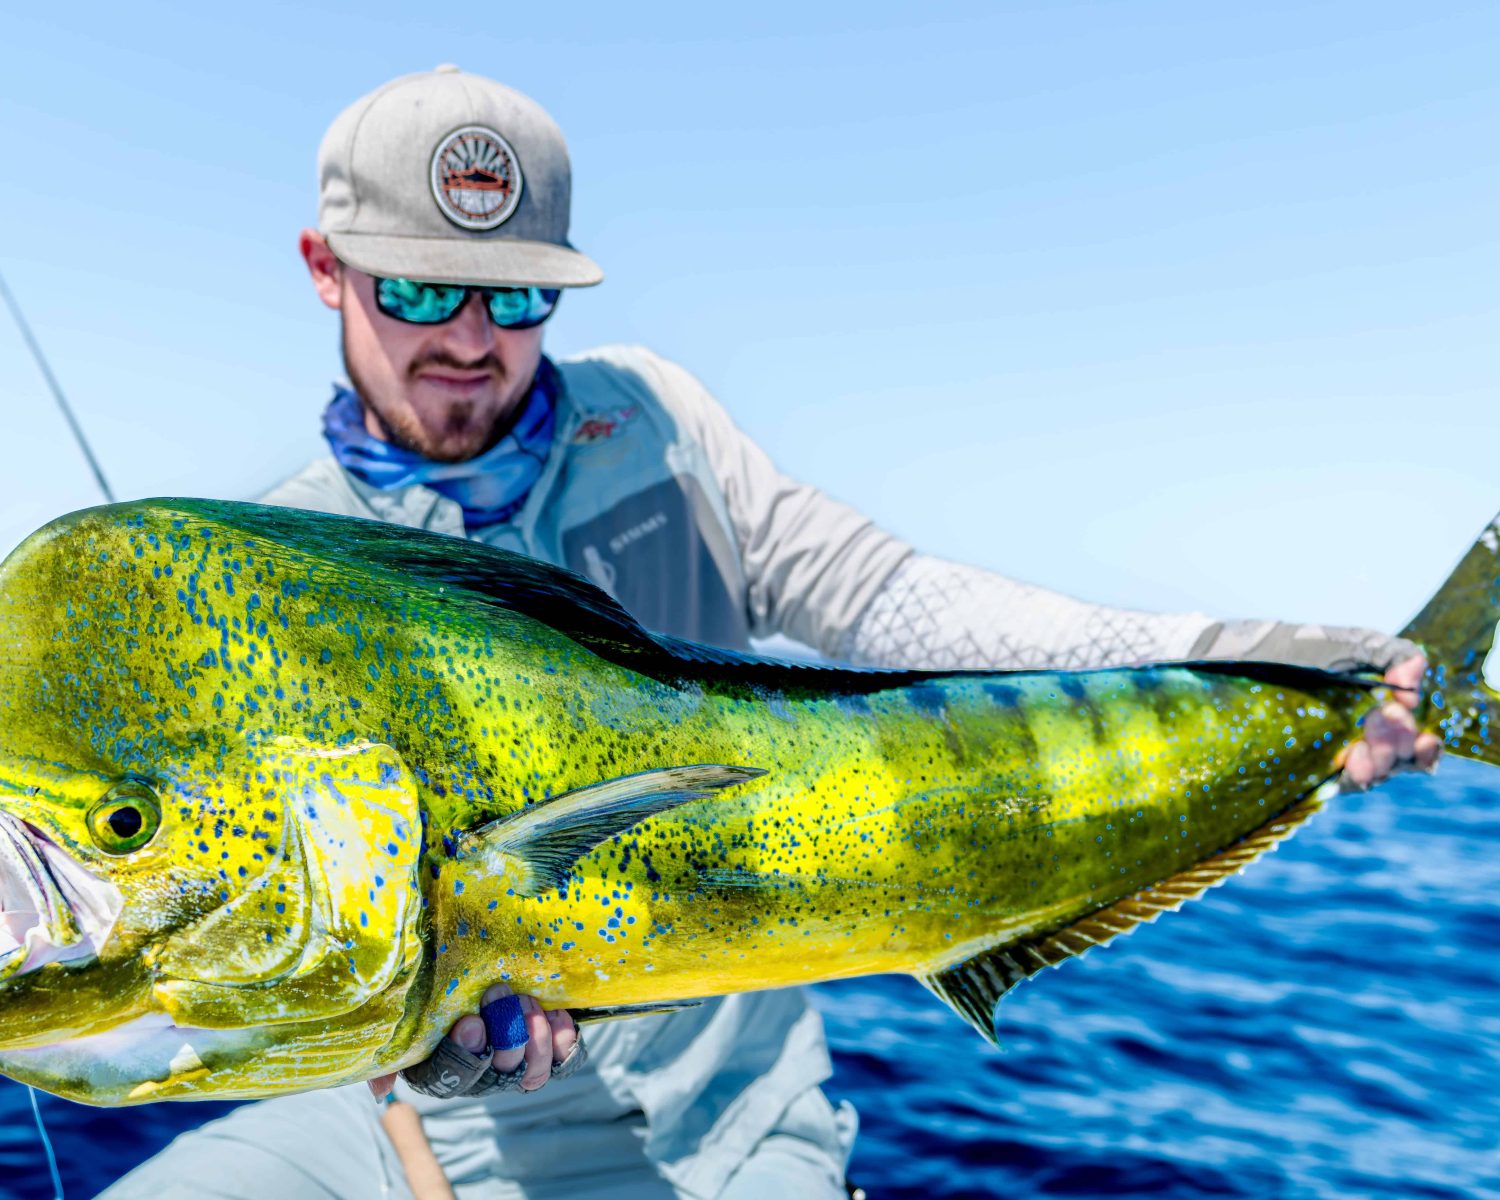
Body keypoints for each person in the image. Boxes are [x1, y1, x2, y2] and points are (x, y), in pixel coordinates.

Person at [100, 66, 1439, 1200]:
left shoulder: (655, 426)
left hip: (729, 1130)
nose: (470, 342)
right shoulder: (271, 568)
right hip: (423, 1130)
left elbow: (896, 603)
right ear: (326, 269)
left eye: (514, 299)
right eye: (420, 291)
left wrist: (1265, 653)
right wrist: (407, 1035)